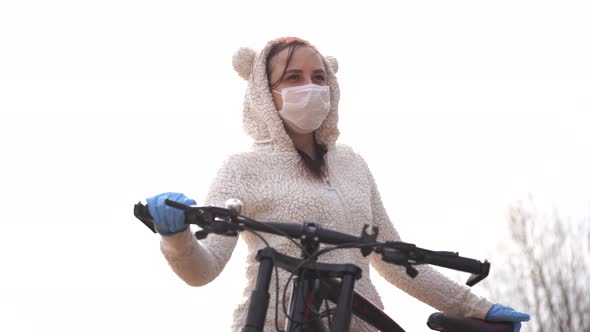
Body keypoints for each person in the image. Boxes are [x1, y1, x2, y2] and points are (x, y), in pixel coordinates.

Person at [145, 37, 530, 331]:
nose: (310, 87)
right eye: (293, 78)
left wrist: (476, 308)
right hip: (274, 322)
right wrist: (175, 237)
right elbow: (204, 269)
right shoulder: (242, 169)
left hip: (358, 320)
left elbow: (393, 260)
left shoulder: (352, 165)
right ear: (265, 94)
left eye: (318, 77)